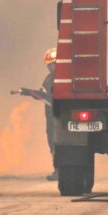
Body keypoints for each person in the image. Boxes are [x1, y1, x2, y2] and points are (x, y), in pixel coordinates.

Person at [42, 48, 58, 180]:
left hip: (57, 116)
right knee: (52, 142)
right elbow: (42, 93)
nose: (49, 67)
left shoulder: (62, 78)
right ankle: (57, 169)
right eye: (48, 65)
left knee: (57, 142)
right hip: (50, 117)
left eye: (51, 64)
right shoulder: (48, 79)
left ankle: (60, 170)